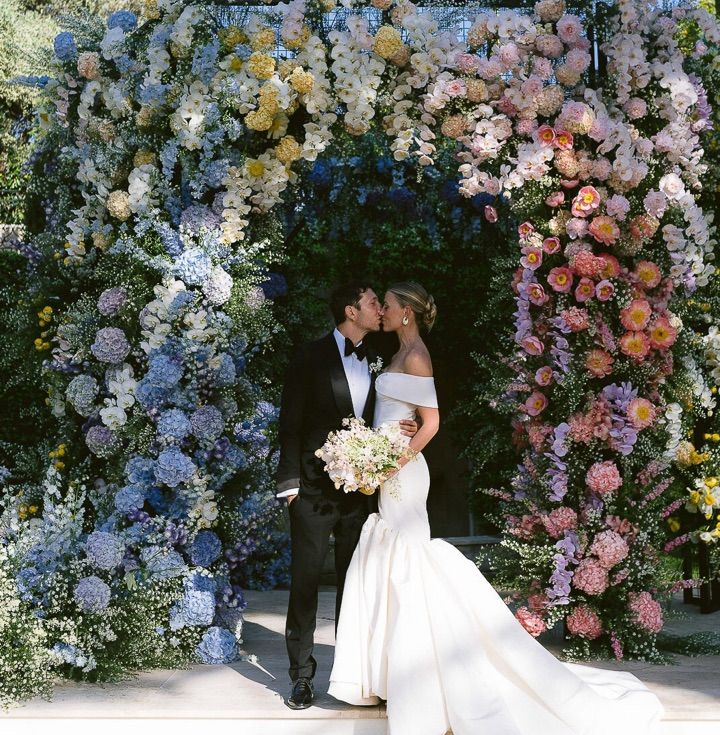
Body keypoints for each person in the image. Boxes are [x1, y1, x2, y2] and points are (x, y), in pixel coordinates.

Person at [328, 281, 664, 735]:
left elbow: (431, 423)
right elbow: (399, 412)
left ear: (406, 312)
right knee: (393, 559)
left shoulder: (417, 355)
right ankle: (392, 672)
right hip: (390, 467)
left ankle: (429, 671)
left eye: (386, 306)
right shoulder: (397, 355)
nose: (382, 312)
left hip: (403, 474)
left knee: (410, 559)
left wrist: (395, 460)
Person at [276, 281, 417, 710]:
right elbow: (290, 425)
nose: (380, 309)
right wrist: (290, 485)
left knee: (356, 586)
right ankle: (301, 676)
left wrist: (403, 426)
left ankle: (350, 673)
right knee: (305, 582)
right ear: (351, 311)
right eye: (373, 303)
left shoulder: (381, 359)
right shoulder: (309, 357)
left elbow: (390, 410)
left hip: (362, 492)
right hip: (314, 492)